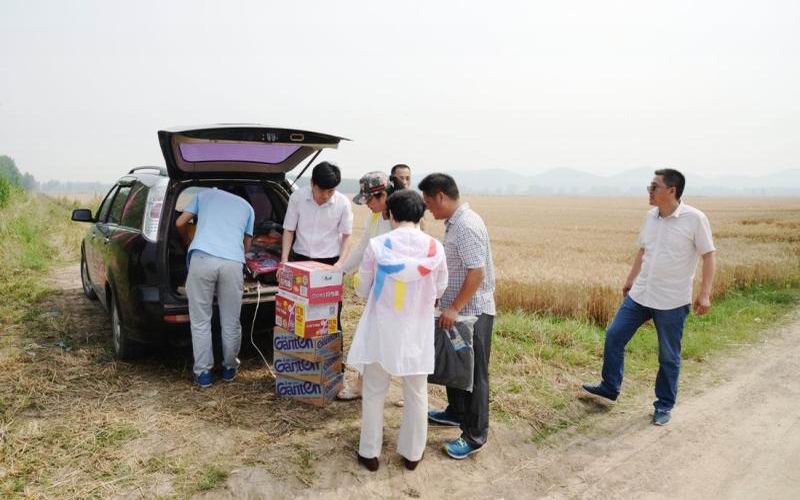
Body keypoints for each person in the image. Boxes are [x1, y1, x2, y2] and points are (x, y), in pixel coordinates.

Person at [582, 169, 716, 426]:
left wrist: (705, 293)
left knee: (668, 356)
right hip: (641, 293)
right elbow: (643, 251)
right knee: (614, 336)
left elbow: (708, 255)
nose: (649, 191)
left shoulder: (695, 219)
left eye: (654, 187)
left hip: (672, 300)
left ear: (671, 191)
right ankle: (609, 387)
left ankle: (664, 405)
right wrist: (631, 279)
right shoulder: (650, 217)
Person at [347, 189, 448, 472]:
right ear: (421, 214)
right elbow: (440, 288)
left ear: (390, 214)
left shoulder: (378, 245)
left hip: (381, 327)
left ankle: (369, 452)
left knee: (374, 390)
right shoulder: (435, 248)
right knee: (416, 392)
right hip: (417, 329)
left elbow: (363, 288)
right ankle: (413, 453)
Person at [420, 173, 496, 460]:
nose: (428, 209)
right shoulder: (454, 223)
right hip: (458, 311)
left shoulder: (466, 226)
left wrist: (454, 307)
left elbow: (477, 272)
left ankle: (475, 435)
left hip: (473, 313)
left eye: (429, 203)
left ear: (441, 196)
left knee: (475, 374)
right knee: (457, 365)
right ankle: (456, 412)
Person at [175, 188, 255, 388]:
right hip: (232, 263)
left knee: (201, 321)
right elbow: (247, 246)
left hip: (202, 258)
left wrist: (187, 240)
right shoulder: (248, 207)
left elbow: (180, 222)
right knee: (231, 321)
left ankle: (203, 374)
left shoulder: (205, 195)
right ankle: (229, 369)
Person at [336, 171, 395, 401]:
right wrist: (340, 270)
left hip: (395, 292)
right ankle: (363, 385)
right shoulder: (375, 217)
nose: (367, 205)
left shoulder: (398, 219)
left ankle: (394, 389)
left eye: (369, 200)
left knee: (390, 341)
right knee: (370, 337)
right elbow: (362, 248)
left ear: (383, 195)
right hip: (377, 290)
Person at [281, 161, 354, 267]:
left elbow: (346, 235)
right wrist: (284, 259)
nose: (325, 196)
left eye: (330, 191)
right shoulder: (297, 197)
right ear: (312, 183)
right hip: (300, 258)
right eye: (321, 190)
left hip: (330, 261)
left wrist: (340, 263)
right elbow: (289, 230)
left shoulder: (343, 203)